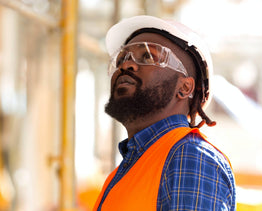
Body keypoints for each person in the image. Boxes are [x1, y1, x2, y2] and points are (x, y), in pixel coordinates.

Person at [93, 15, 236, 211]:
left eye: (148, 56)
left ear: (185, 87)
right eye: (121, 60)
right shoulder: (129, 168)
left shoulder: (190, 158)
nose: (126, 65)